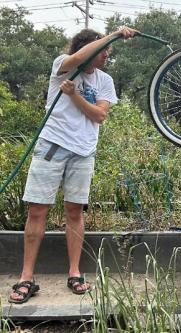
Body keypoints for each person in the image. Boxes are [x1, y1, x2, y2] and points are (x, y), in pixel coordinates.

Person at [8, 26, 138, 304]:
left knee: (74, 211)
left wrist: (74, 96)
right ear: (86, 49)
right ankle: (26, 277)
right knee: (37, 210)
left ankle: (74, 273)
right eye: (102, 51)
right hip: (52, 146)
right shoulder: (62, 66)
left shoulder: (105, 81)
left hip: (83, 152)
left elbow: (99, 115)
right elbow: (75, 59)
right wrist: (114, 34)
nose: (106, 56)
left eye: (108, 52)